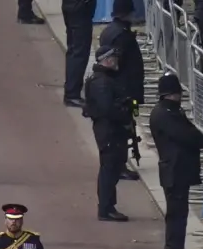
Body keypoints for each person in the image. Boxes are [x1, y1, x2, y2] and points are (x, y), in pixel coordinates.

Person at [149, 72, 203, 249]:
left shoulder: (168, 112)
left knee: (178, 215)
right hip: (175, 172)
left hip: (177, 170)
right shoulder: (166, 115)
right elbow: (190, 136)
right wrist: (199, 138)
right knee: (176, 216)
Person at [96, 0, 146, 181]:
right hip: (127, 91)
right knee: (126, 125)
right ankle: (121, 164)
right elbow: (124, 64)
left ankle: (120, 162)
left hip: (123, 89)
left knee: (126, 125)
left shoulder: (110, 31)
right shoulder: (123, 36)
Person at [84, 48, 134, 221]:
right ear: (106, 60)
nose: (116, 60)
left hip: (111, 130)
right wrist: (124, 116)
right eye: (113, 58)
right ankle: (106, 208)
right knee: (109, 170)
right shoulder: (102, 82)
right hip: (109, 131)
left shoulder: (104, 79)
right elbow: (107, 109)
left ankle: (108, 206)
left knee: (112, 168)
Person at [61, 0, 93, 107]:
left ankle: (71, 90)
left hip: (72, 7)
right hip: (79, 9)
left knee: (74, 49)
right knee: (79, 52)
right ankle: (72, 94)